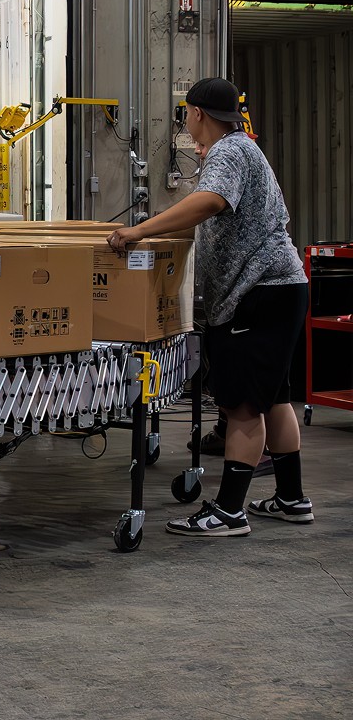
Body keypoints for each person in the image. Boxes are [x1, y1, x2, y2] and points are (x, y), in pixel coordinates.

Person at [108, 77, 311, 537]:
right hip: (279, 289)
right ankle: (291, 498)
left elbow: (209, 202)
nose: (186, 123)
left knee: (241, 408)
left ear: (196, 113)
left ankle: (229, 512)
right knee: (274, 398)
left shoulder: (229, 152)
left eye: (186, 114)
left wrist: (141, 232)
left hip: (257, 293)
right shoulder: (242, 148)